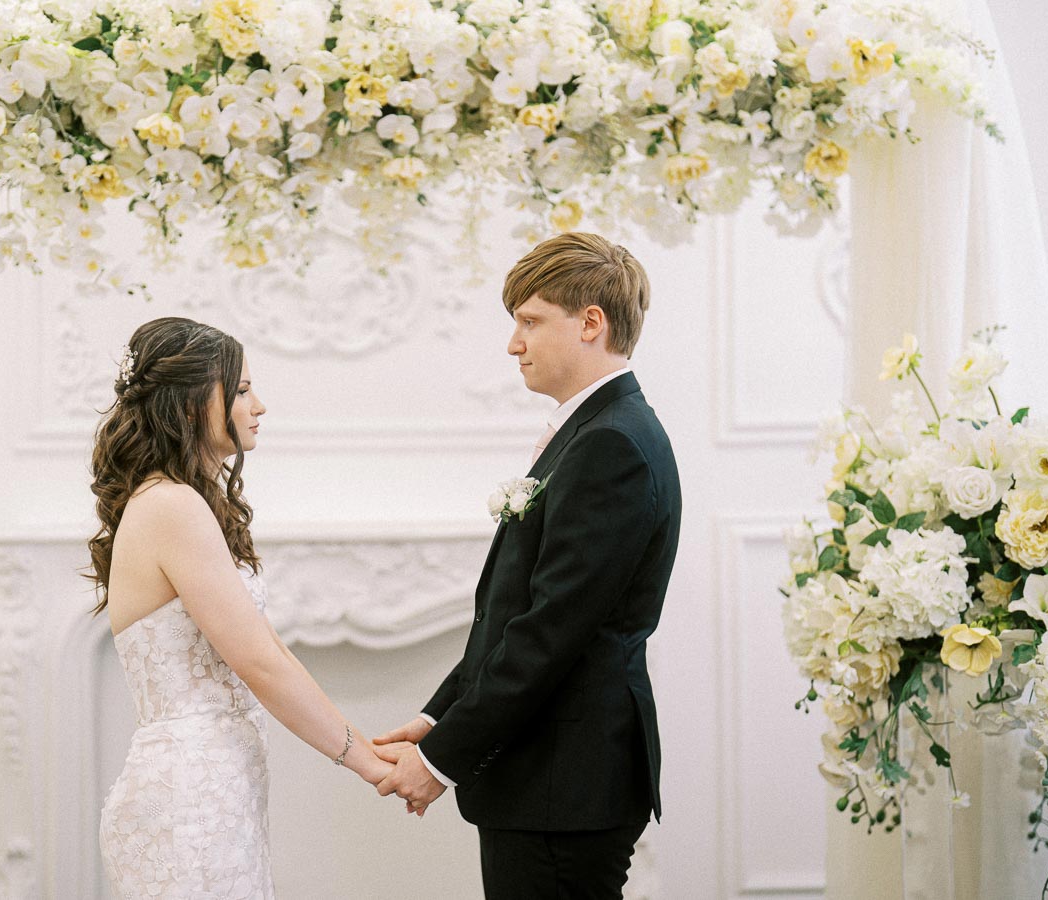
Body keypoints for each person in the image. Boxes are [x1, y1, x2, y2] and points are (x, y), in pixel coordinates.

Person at [374, 232, 682, 899]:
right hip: (550, 778)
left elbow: (551, 634)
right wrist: (438, 717)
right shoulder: (595, 432)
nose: (514, 343)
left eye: (530, 321)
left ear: (591, 323)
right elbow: (519, 617)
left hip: (563, 783)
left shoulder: (611, 446)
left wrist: (441, 759)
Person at [90, 317, 392, 899]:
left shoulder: (183, 503)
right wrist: (368, 763)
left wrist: (366, 740)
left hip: (217, 793)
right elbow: (261, 666)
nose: (260, 405)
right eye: (244, 389)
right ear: (189, 405)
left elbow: (269, 649)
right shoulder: (171, 506)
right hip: (187, 806)